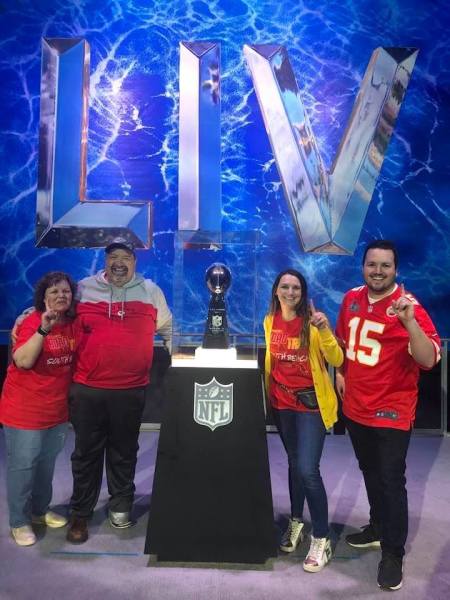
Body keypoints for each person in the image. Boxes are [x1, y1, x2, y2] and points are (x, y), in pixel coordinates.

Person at [335, 239, 440, 591]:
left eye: (385, 266)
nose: (377, 271)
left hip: (391, 411)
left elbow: (427, 360)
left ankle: (393, 553)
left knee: (392, 480)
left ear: (396, 270)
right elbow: (343, 344)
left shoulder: (410, 308)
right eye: (372, 264)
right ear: (363, 266)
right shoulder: (350, 298)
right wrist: (339, 372)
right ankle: (378, 526)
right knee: (370, 471)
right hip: (356, 408)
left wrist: (409, 322)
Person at [66, 238, 172, 544]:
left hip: (131, 390)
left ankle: (121, 503)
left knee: (124, 451)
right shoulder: (84, 289)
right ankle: (80, 514)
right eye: (113, 257)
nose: (119, 262)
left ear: (135, 262)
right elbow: (56, 313)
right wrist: (26, 320)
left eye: (125, 256)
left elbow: (168, 330)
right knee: (85, 453)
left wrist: (183, 365)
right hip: (88, 389)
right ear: (106, 261)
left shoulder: (151, 292)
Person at [264, 269, 343, 572]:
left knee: (309, 470)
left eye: (296, 287)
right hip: (282, 405)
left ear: (303, 292)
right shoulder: (270, 321)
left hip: (310, 407)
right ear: (276, 291)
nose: (290, 292)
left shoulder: (313, 322)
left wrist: (324, 330)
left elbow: (336, 360)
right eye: (285, 286)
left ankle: (321, 538)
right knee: (294, 464)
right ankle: (296, 521)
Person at [0, 272, 77, 546]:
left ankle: (39, 511)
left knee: (45, 466)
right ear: (43, 298)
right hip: (24, 410)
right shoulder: (32, 320)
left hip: (56, 411)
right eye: (54, 292)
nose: (60, 296)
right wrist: (43, 329)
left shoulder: (71, 323)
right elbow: (22, 361)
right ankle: (19, 522)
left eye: (65, 291)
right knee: (23, 467)